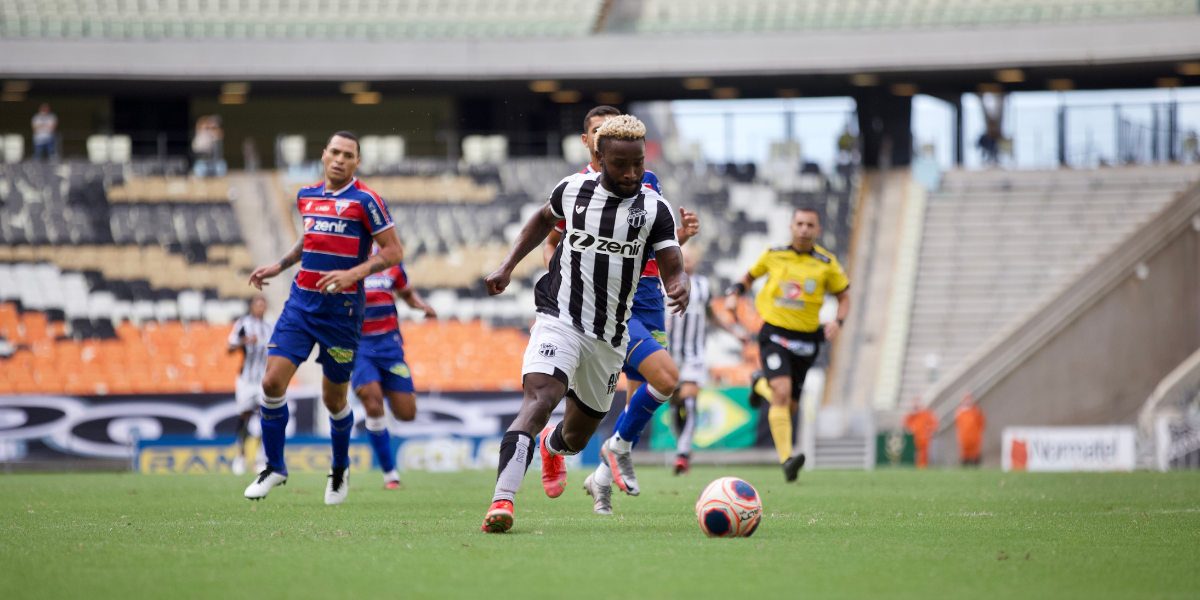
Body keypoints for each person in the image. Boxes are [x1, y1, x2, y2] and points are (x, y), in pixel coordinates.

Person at [480, 115, 688, 533]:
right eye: (619, 164)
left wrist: (679, 284)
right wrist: (507, 265)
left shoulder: (654, 208)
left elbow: (672, 264)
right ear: (598, 157)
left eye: (638, 163)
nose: (631, 174)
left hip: (612, 336)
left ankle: (551, 447)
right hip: (561, 317)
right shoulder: (573, 189)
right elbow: (542, 219)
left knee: (575, 438)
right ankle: (502, 500)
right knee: (540, 400)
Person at [543, 106, 698, 513]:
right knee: (664, 377)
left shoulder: (646, 182)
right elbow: (551, 240)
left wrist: (679, 239)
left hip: (650, 297)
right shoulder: (577, 190)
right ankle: (613, 449)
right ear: (591, 143)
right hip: (611, 301)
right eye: (598, 134)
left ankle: (602, 479)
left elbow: (655, 237)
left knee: (640, 397)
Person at [243, 131, 402, 505]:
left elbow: (394, 251)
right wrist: (279, 265)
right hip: (301, 304)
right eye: (335, 152)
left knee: (334, 401)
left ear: (356, 163)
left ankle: (339, 467)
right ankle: (275, 466)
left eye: (348, 155)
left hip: (343, 313)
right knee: (270, 382)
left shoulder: (367, 201)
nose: (340, 159)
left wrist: (352, 275)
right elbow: (309, 240)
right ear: (324, 154)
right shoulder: (306, 195)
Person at [724, 208, 851, 482]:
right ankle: (787, 459)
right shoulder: (774, 253)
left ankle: (759, 382)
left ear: (818, 231)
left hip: (807, 340)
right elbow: (748, 277)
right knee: (781, 394)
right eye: (800, 223)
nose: (804, 229)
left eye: (810, 225)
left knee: (790, 406)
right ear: (791, 226)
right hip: (775, 334)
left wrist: (838, 322)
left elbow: (844, 297)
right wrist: (734, 294)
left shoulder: (827, 263)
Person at [351, 245, 437, 489]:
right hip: (359, 348)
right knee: (372, 401)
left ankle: (386, 387)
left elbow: (406, 293)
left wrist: (421, 306)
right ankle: (390, 474)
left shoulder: (390, 262)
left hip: (390, 349)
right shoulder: (347, 261)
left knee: (407, 413)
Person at [664, 246, 746, 475]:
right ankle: (683, 448)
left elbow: (711, 315)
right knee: (674, 405)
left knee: (690, 402)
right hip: (667, 356)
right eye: (683, 257)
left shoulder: (702, 286)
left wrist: (734, 332)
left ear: (696, 261)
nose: (686, 261)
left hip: (694, 355)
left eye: (690, 257)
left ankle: (681, 452)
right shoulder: (662, 283)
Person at [227, 296, 273, 476]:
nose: (260, 307)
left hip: (263, 379)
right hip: (246, 379)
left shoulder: (270, 327)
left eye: (263, 304)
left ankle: (261, 458)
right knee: (244, 416)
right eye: (257, 304)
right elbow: (229, 348)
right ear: (251, 307)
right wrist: (244, 341)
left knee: (266, 417)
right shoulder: (243, 324)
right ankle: (241, 455)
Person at [903, 398, 939, 470]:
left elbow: (934, 422)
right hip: (916, 436)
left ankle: (924, 467)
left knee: (925, 453)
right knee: (919, 453)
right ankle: (920, 467)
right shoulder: (913, 414)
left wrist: (931, 431)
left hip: (925, 436)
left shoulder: (926, 413)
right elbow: (906, 423)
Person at [954, 392, 986, 467]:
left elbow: (982, 423)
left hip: (974, 436)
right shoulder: (959, 411)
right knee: (965, 454)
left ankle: (976, 468)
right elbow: (958, 425)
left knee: (975, 453)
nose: (967, 401)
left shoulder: (977, 410)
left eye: (969, 398)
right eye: (966, 399)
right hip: (964, 436)